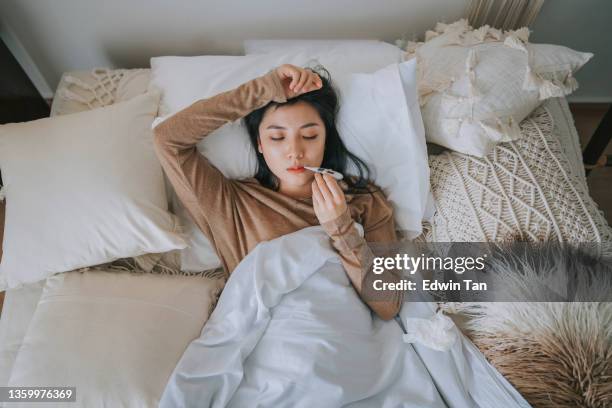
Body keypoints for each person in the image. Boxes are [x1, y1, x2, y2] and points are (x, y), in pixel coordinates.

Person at [153, 63, 403, 320]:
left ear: (325, 139)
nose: (294, 151)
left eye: (309, 136)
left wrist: (342, 228)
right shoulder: (232, 202)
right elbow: (167, 139)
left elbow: (389, 306)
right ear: (260, 144)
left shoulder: (364, 198)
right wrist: (264, 89)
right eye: (277, 138)